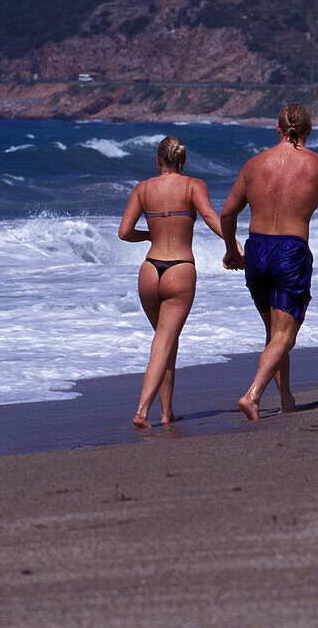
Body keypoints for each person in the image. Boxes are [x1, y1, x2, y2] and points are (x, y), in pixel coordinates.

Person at [220, 103, 318, 420]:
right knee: (285, 336)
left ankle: (286, 400)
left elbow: (227, 213)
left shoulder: (254, 165)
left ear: (278, 128)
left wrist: (232, 249)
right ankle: (252, 395)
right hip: (289, 251)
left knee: (274, 333)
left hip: (256, 249)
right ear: (309, 130)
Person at [119, 137, 240, 428]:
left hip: (149, 270)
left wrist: (149, 236)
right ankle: (142, 411)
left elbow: (124, 232)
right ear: (182, 161)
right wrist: (233, 244)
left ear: (158, 160)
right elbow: (211, 216)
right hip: (180, 269)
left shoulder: (143, 188)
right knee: (164, 341)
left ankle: (166, 413)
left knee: (166, 340)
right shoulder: (193, 185)